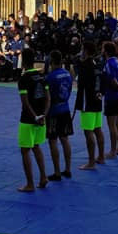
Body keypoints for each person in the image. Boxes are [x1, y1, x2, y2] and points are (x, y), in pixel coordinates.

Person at [17, 48, 50, 192]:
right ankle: (43, 176)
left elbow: (25, 102)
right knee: (36, 147)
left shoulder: (24, 79)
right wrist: (44, 115)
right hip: (42, 117)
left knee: (25, 150)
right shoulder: (42, 77)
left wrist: (35, 117)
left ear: (23, 61)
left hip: (28, 119)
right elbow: (48, 98)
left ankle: (30, 183)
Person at [74, 41, 106, 169]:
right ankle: (101, 156)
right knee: (97, 129)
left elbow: (81, 82)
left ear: (86, 51)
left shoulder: (85, 65)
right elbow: (102, 80)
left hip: (87, 101)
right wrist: (101, 93)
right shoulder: (97, 64)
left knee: (88, 132)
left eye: (82, 49)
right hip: (97, 99)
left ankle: (91, 161)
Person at [45, 50, 73, 181]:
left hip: (53, 111)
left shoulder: (50, 77)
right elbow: (70, 90)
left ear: (51, 61)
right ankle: (67, 169)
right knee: (65, 139)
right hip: (65, 109)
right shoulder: (68, 74)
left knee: (53, 141)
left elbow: (48, 97)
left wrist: (44, 113)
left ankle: (57, 171)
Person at [101, 41, 118, 156]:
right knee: (117, 122)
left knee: (112, 125)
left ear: (105, 51)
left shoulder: (109, 63)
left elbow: (113, 79)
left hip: (111, 96)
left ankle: (113, 150)